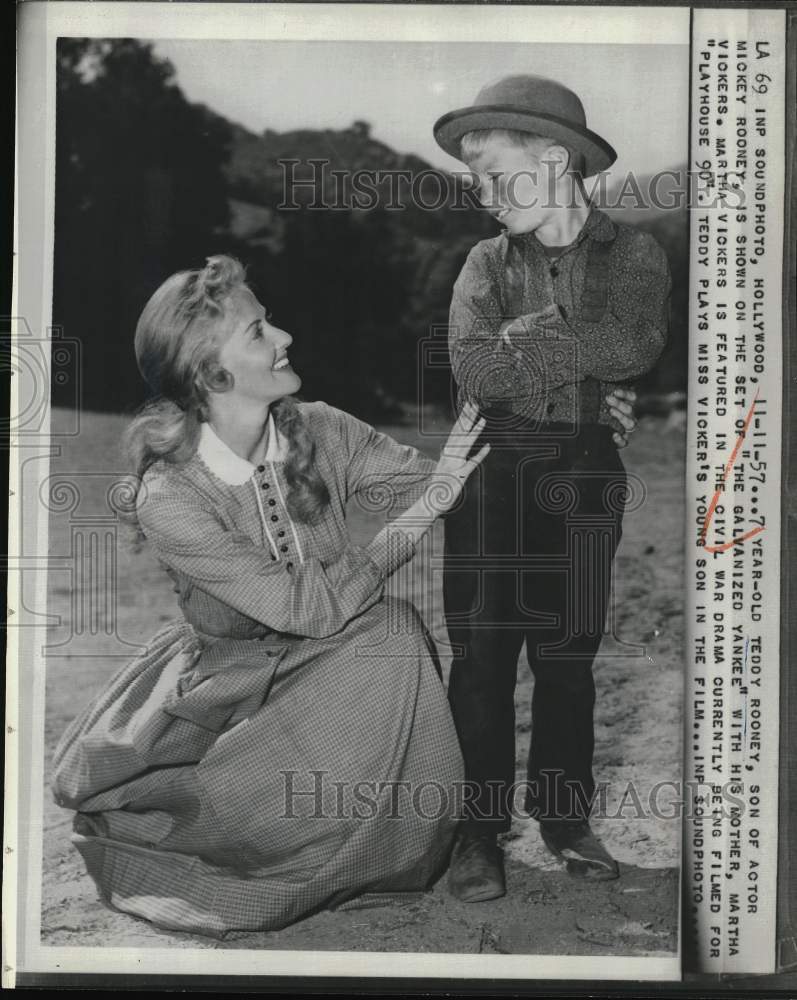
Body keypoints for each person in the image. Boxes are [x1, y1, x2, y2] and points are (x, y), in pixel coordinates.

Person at [50, 254, 490, 937]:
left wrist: (555, 424)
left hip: (332, 666)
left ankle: (366, 850)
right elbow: (302, 611)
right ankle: (245, 829)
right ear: (211, 372)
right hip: (230, 692)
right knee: (378, 640)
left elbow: (443, 482)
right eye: (258, 330)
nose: (282, 336)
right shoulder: (171, 496)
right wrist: (423, 511)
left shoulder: (320, 429)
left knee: (393, 634)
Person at [433, 74, 671, 901]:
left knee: (568, 655)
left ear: (557, 160)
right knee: (481, 657)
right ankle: (478, 829)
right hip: (491, 472)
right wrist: (572, 359)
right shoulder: (483, 261)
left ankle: (564, 818)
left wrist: (522, 341)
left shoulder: (635, 253)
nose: (486, 199)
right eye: (476, 185)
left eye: (498, 178)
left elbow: (636, 345)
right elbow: (470, 369)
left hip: (585, 473)